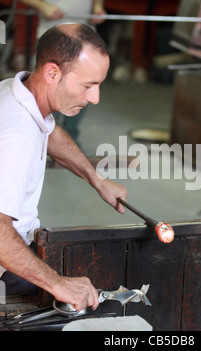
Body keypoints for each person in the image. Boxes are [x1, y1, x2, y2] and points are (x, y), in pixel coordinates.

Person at [0, 23, 127, 312]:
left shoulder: (17, 92)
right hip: (5, 267)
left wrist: (96, 179)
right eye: (87, 86)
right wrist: (57, 283)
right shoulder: (15, 136)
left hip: (15, 245)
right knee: (97, 301)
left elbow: (50, 132)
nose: (95, 98)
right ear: (52, 72)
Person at [18, 0, 107, 144]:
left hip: (85, 39)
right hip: (53, 38)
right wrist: (43, 6)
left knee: (84, 89)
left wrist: (97, 6)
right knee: (51, 92)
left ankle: (70, 139)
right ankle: (45, 140)